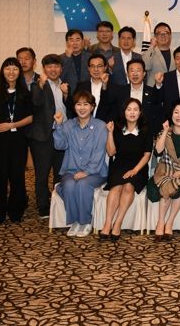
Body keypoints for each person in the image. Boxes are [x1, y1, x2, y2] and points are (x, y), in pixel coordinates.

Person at [0, 57, 33, 224]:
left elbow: (31, 117)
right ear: (2, 71)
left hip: (18, 141)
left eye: (15, 69)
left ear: (19, 72)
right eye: (7, 68)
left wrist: (12, 125)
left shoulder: (25, 93)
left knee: (16, 176)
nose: (11, 72)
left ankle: (16, 211)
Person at [53, 91, 108, 238]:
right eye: (78, 104)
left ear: (92, 107)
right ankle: (75, 221)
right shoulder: (68, 125)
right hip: (71, 170)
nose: (82, 108)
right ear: (74, 107)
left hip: (95, 172)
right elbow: (59, 145)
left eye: (86, 104)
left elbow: (99, 153)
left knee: (83, 184)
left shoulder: (100, 126)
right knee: (69, 184)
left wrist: (87, 172)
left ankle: (85, 221)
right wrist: (58, 125)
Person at [147, 99, 180, 240]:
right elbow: (158, 151)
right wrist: (165, 131)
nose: (179, 116)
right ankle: (160, 222)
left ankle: (169, 222)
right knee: (167, 186)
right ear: (171, 115)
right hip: (165, 171)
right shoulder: (165, 132)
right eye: (176, 112)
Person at [100, 99, 152, 241]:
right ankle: (107, 223)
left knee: (129, 186)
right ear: (124, 112)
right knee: (116, 187)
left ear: (140, 113)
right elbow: (111, 152)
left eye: (135, 109)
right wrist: (110, 133)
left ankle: (118, 223)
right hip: (119, 165)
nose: (132, 112)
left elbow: (147, 155)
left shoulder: (146, 130)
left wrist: (134, 170)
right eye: (129, 109)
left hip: (139, 167)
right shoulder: (117, 128)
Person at [30, 54, 69, 218]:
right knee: (42, 173)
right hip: (43, 136)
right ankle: (43, 207)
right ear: (44, 68)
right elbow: (35, 103)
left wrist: (66, 95)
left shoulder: (66, 85)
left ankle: (58, 206)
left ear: (61, 68)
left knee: (60, 173)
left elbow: (72, 108)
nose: (53, 69)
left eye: (56, 66)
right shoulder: (37, 85)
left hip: (62, 134)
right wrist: (40, 85)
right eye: (49, 66)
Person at [113, 59, 158, 139]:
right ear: (127, 74)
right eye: (132, 71)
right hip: (124, 134)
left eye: (138, 70)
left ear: (144, 74)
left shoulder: (152, 92)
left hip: (146, 135)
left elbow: (156, 114)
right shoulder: (120, 92)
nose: (135, 74)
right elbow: (116, 114)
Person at [71, 54, 115, 122]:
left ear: (105, 67)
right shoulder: (81, 86)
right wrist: (65, 95)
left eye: (99, 66)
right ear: (88, 68)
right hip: (84, 125)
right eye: (92, 66)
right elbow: (73, 105)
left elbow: (113, 109)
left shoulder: (114, 87)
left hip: (106, 125)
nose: (96, 69)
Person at [142, 22, 176, 86]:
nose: (163, 35)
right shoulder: (150, 52)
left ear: (170, 36)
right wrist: (152, 46)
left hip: (171, 89)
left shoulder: (175, 54)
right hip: (153, 89)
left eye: (166, 33)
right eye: (159, 33)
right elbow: (145, 66)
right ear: (155, 37)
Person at [60, 29, 91, 94]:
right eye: (71, 40)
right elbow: (60, 78)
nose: (75, 43)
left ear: (82, 42)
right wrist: (67, 58)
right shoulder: (60, 59)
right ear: (67, 43)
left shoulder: (90, 57)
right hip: (68, 95)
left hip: (88, 94)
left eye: (77, 39)